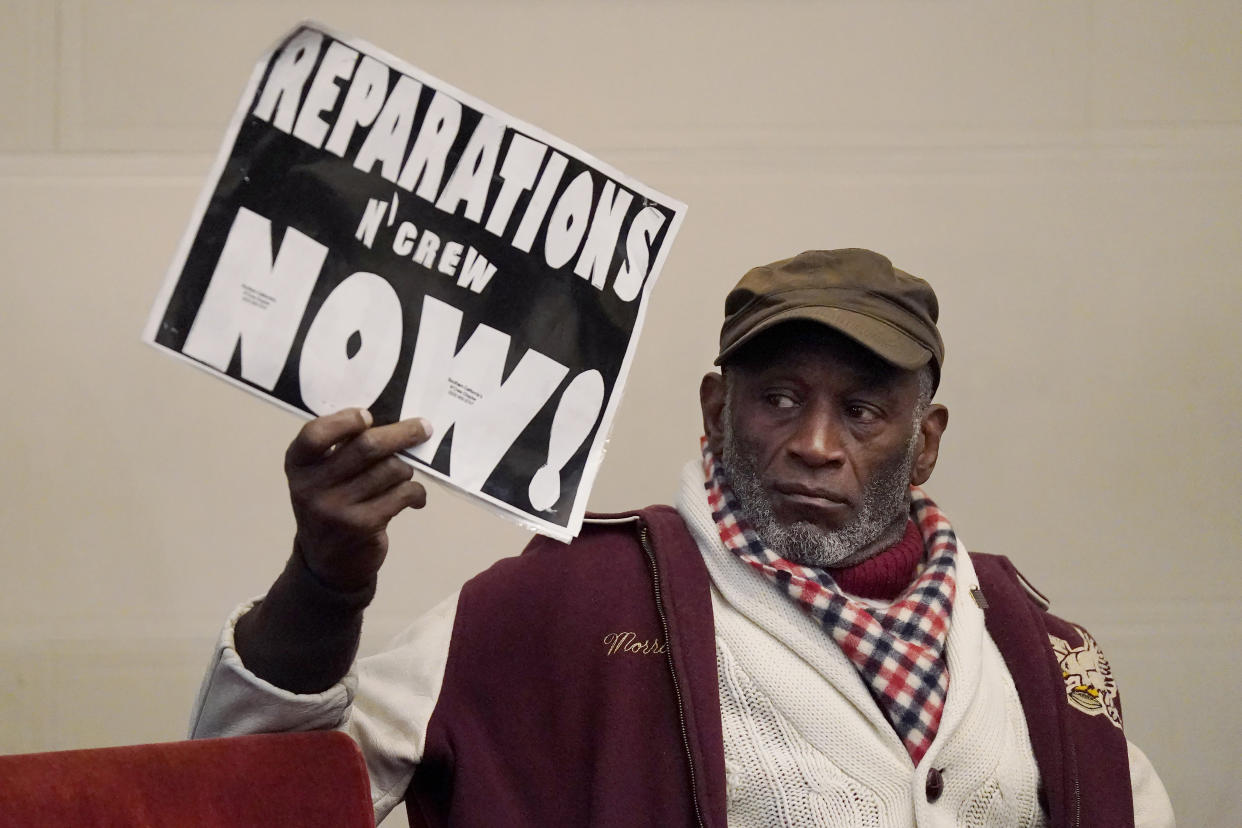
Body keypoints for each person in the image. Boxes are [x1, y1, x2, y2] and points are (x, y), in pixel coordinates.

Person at [191, 249, 1175, 827]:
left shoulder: (1039, 654)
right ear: (716, 410)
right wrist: (324, 585)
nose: (816, 445)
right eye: (779, 399)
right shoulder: (558, 605)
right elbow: (245, 807)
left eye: (866, 411)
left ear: (925, 443)